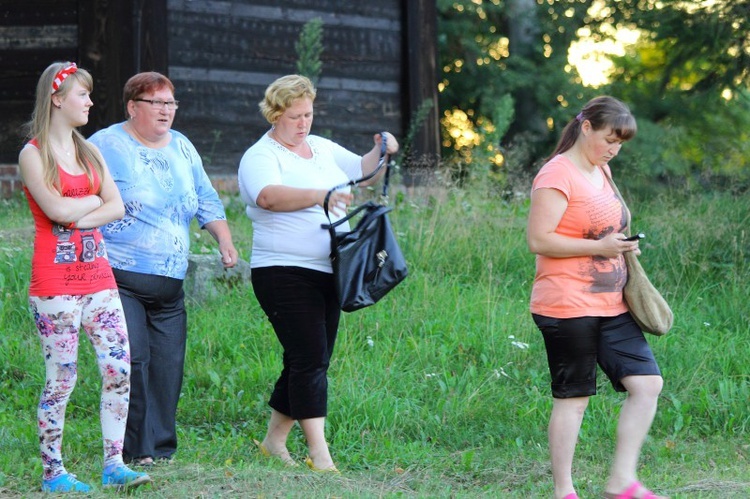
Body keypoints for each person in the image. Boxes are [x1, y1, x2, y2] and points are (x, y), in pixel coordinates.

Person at [237, 74, 399, 472]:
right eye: (295, 116)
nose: (303, 123)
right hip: (282, 271)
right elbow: (268, 197)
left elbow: (363, 171)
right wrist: (320, 196)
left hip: (330, 269)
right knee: (310, 357)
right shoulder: (260, 155)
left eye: (308, 114)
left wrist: (381, 150)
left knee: (309, 358)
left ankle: (274, 442)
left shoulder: (321, 148)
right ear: (275, 115)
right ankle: (319, 454)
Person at [88, 71, 238, 466]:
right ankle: (135, 450)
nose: (166, 110)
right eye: (157, 103)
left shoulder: (183, 147)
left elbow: (206, 197)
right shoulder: (105, 144)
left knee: (168, 366)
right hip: (119, 275)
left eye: (171, 103)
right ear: (133, 106)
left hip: (171, 283)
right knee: (134, 358)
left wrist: (224, 238)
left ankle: (161, 448)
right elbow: (77, 189)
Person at [18, 61, 151, 492]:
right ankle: (53, 472)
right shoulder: (33, 153)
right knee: (63, 377)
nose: (90, 102)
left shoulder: (89, 152)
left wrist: (82, 204)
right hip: (55, 286)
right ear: (57, 99)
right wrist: (91, 200)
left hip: (99, 279)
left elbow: (117, 207)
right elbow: (56, 211)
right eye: (82, 94)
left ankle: (114, 464)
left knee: (118, 369)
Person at [526, 96, 667, 499]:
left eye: (620, 143)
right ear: (585, 127)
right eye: (609, 139)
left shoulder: (601, 169)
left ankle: (621, 481)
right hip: (567, 304)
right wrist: (599, 249)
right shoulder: (556, 174)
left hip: (613, 302)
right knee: (575, 399)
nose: (614, 150)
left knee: (647, 383)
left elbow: (602, 229)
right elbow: (539, 239)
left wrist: (619, 245)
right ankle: (563, 491)